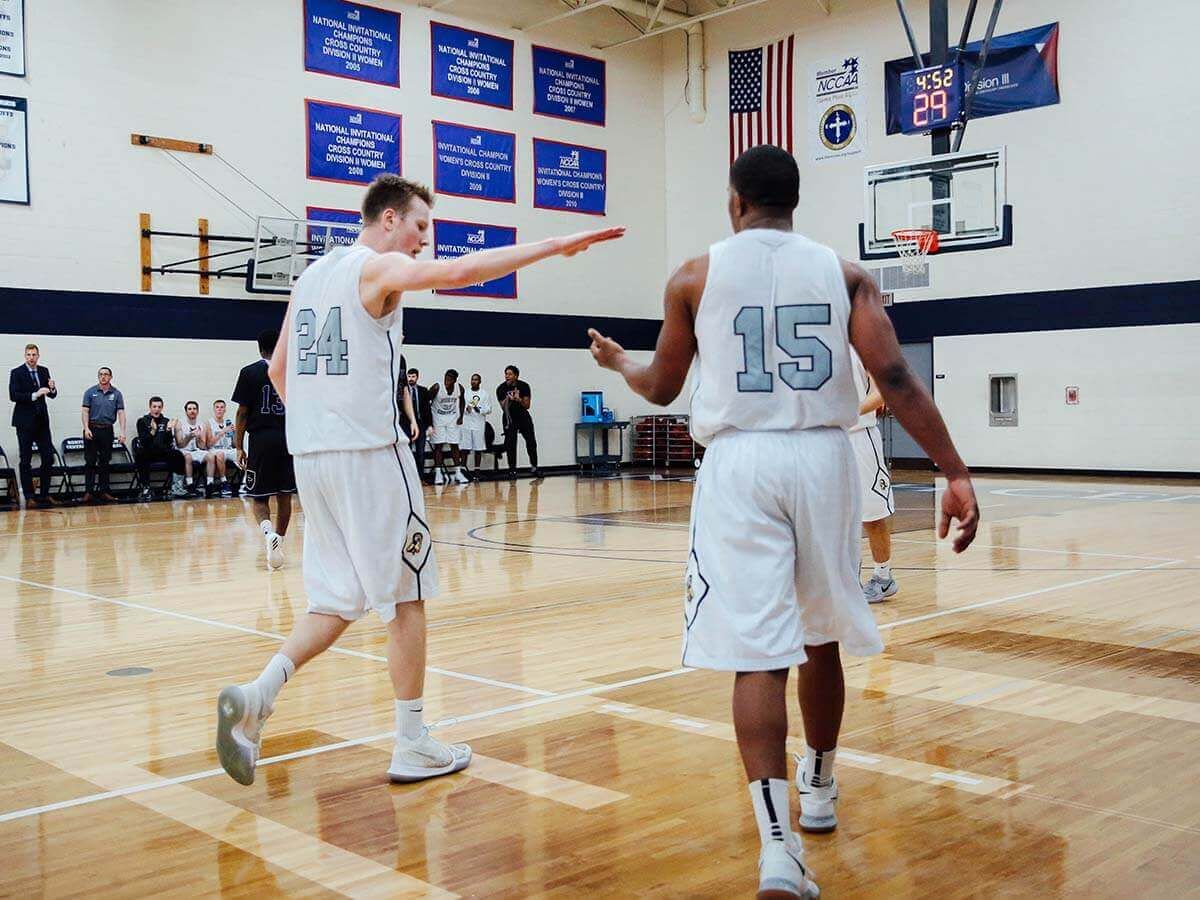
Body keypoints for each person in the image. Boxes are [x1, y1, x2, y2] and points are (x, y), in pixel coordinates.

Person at [587, 145, 978, 900]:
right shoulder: (845, 272)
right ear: (792, 203)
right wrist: (955, 470)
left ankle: (777, 848)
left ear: (735, 203)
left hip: (740, 463)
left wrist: (619, 365)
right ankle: (822, 784)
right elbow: (894, 379)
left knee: (757, 651)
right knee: (819, 631)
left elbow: (664, 387)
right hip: (823, 459)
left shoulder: (694, 277)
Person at [213, 172, 622, 788]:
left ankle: (257, 698)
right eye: (421, 227)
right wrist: (555, 246)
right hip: (372, 455)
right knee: (407, 599)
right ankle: (411, 742)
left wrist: (322, 422)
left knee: (336, 599)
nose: (424, 242)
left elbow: (277, 372)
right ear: (388, 221)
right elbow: (461, 274)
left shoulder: (308, 279)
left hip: (315, 457)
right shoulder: (372, 269)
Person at [232, 330, 295, 570]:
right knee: (285, 494)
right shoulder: (291, 371)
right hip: (288, 437)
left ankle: (269, 535)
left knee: (259, 497)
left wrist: (238, 446)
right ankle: (280, 540)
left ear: (259, 348)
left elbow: (242, 413)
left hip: (260, 440)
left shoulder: (249, 372)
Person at [850, 353, 899, 603]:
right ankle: (847, 582)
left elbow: (882, 392)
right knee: (832, 517)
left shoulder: (861, 344)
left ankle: (883, 577)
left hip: (859, 436)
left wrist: (851, 410)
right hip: (823, 439)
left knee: (872, 515)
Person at [9, 343, 59, 507]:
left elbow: (52, 395)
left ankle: (44, 493)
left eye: (34, 355)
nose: (31, 357)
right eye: (29, 355)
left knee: (48, 457)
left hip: (42, 422)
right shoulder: (17, 373)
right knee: (25, 459)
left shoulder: (43, 371)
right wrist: (34, 395)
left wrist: (52, 389)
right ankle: (29, 496)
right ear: (25, 356)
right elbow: (14, 395)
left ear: (38, 356)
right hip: (24, 422)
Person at [80, 366, 126, 503]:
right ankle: (89, 492)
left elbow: (121, 413)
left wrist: (123, 432)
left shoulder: (116, 393)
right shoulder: (90, 392)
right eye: (101, 374)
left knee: (105, 462)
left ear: (111, 377)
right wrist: (86, 428)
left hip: (107, 430)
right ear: (98, 376)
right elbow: (85, 411)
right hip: (92, 430)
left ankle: (104, 491)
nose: (103, 376)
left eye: (106, 374)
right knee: (90, 461)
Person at [135, 396, 187, 501]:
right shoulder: (142, 421)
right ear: (150, 407)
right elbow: (144, 441)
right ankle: (146, 488)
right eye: (154, 406)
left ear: (162, 408)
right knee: (140, 455)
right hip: (148, 451)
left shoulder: (166, 421)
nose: (156, 409)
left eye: (159, 407)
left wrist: (168, 430)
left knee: (178, 455)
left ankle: (177, 486)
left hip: (162, 451)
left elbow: (168, 442)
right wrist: (153, 431)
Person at [497, 365, 539, 478]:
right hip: (509, 417)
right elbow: (503, 407)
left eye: (510, 374)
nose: (507, 376)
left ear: (516, 375)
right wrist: (508, 398)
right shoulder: (501, 388)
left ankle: (534, 467)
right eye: (506, 374)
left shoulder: (524, 386)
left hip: (523, 416)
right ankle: (512, 470)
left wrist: (518, 399)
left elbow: (527, 405)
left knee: (531, 441)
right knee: (511, 444)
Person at [428, 368, 468, 485]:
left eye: (450, 379)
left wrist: (460, 416)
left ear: (455, 380)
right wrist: (429, 421)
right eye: (446, 378)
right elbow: (426, 401)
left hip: (452, 418)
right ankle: (439, 473)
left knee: (454, 444)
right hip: (438, 418)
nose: (447, 381)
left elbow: (462, 401)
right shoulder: (437, 387)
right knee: (439, 445)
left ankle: (458, 472)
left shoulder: (459, 388)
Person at [398, 368, 432, 481]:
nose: (411, 379)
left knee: (420, 453)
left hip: (421, 424)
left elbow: (427, 409)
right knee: (407, 451)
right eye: (409, 376)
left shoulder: (423, 390)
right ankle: (407, 477)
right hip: (406, 424)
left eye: (413, 376)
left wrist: (430, 425)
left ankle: (420, 478)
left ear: (417, 377)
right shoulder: (402, 391)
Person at [173, 400, 209, 497]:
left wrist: (198, 438)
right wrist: (190, 436)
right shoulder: (180, 424)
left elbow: (202, 447)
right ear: (186, 411)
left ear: (197, 411)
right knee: (188, 457)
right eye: (189, 409)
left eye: (194, 409)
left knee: (211, 456)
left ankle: (210, 483)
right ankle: (190, 484)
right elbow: (180, 444)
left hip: (195, 450)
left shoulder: (202, 424)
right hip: (183, 451)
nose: (192, 411)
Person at [205, 399, 238, 497]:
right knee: (220, 454)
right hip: (215, 449)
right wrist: (222, 431)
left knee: (245, 454)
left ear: (225, 410)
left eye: (222, 407)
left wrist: (236, 433)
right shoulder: (209, 423)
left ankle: (246, 482)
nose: (219, 410)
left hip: (228, 449)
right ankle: (224, 482)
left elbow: (234, 444)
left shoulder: (229, 422)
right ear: (214, 410)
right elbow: (209, 444)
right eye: (217, 407)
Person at [460, 372, 493, 472]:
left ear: (480, 381)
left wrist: (480, 410)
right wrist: (466, 409)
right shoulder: (465, 393)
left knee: (478, 447)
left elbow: (489, 409)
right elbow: (460, 406)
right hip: (467, 422)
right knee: (465, 447)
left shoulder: (484, 394)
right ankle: (463, 469)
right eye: (472, 379)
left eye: (476, 379)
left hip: (478, 423)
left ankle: (477, 470)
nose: (474, 381)